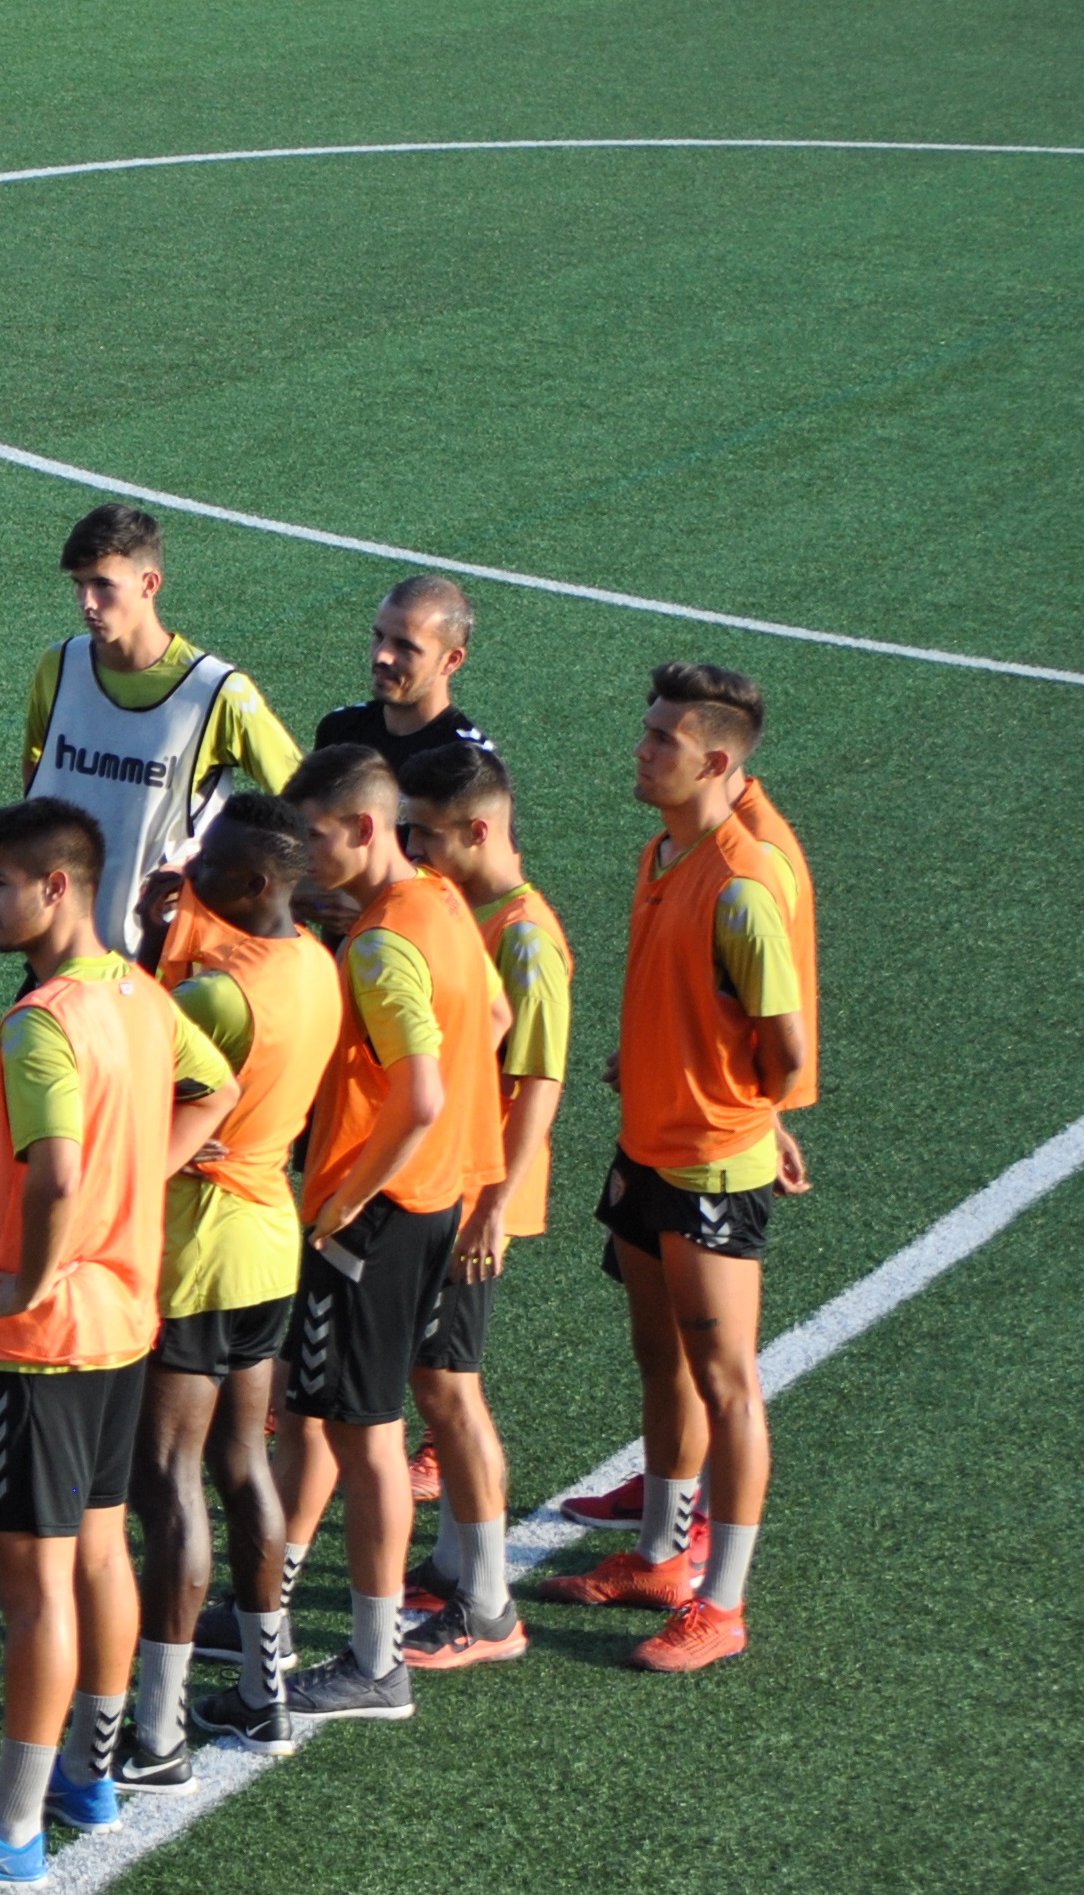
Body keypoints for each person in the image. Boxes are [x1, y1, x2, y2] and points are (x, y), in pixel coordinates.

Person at [0, 799, 231, 1887]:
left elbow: (57, 1174)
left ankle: (13, 1825)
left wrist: (37, 1271)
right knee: (102, 1552)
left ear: (56, 887)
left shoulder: (42, 1022)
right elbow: (219, 1090)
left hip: (45, 1337)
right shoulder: (142, 995)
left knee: (35, 1590)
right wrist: (138, 1179)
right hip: (122, 1324)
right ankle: (90, 1777)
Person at [536, 665, 812, 1673]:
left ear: (716, 759)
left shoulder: (741, 885)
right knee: (660, 1359)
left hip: (709, 1165)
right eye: (647, 731)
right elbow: (696, 1000)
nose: (642, 749)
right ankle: (658, 1557)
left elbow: (784, 1047)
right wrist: (651, 1055)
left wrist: (746, 1111)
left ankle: (721, 1602)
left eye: (662, 739)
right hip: (645, 1143)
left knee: (726, 1380)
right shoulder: (663, 849)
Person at [268, 747, 503, 1725]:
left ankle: (375, 1663)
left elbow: (420, 1094)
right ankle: (344, 1639)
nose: (301, 853)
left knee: (364, 1440)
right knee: (357, 1426)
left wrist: (343, 1201)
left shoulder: (378, 945)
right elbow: (491, 1014)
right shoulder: (441, 901)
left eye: (313, 835)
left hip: (378, 1217)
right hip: (434, 1200)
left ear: (364, 829)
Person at [127, 798, 339, 1765]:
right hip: (268, 1242)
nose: (192, 868)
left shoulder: (218, 995)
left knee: (168, 1480)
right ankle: (264, 1692)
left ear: (254, 884)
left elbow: (125, 1072)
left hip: (199, 1248)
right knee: (243, 1465)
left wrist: (146, 942)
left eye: (209, 862)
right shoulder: (315, 964)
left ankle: (156, 1728)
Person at [393, 744, 571, 1669]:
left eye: (425, 833)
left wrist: (496, 1202)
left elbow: (540, 1079)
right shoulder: (470, 911)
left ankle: (490, 1610)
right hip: (454, 1182)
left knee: (450, 1388)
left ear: (477, 830)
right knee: (440, 1382)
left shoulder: (525, 935)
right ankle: (453, 1564)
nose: (413, 849)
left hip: (475, 1194)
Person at [20, 503, 304, 954]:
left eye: (103, 585)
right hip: (59, 950)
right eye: (79, 585)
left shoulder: (216, 692)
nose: (87, 603)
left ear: (149, 584)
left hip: (158, 955)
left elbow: (301, 801)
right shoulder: (58, 666)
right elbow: (38, 769)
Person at [315, 576, 499, 773]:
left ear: (451, 660)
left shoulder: (470, 766)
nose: (381, 656)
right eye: (379, 636)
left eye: (405, 646)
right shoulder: (339, 730)